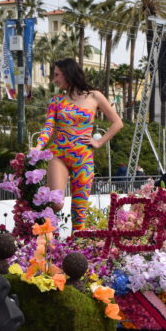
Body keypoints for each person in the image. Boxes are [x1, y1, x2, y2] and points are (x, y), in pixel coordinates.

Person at [33, 58, 123, 230]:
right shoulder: (56, 101)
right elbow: (48, 128)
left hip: (83, 158)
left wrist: (98, 142)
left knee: (79, 213)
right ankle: (40, 215)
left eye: (57, 75)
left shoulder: (94, 96)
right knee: (56, 203)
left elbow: (117, 123)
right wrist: (38, 147)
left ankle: (76, 251)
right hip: (58, 155)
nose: (55, 79)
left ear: (68, 73)